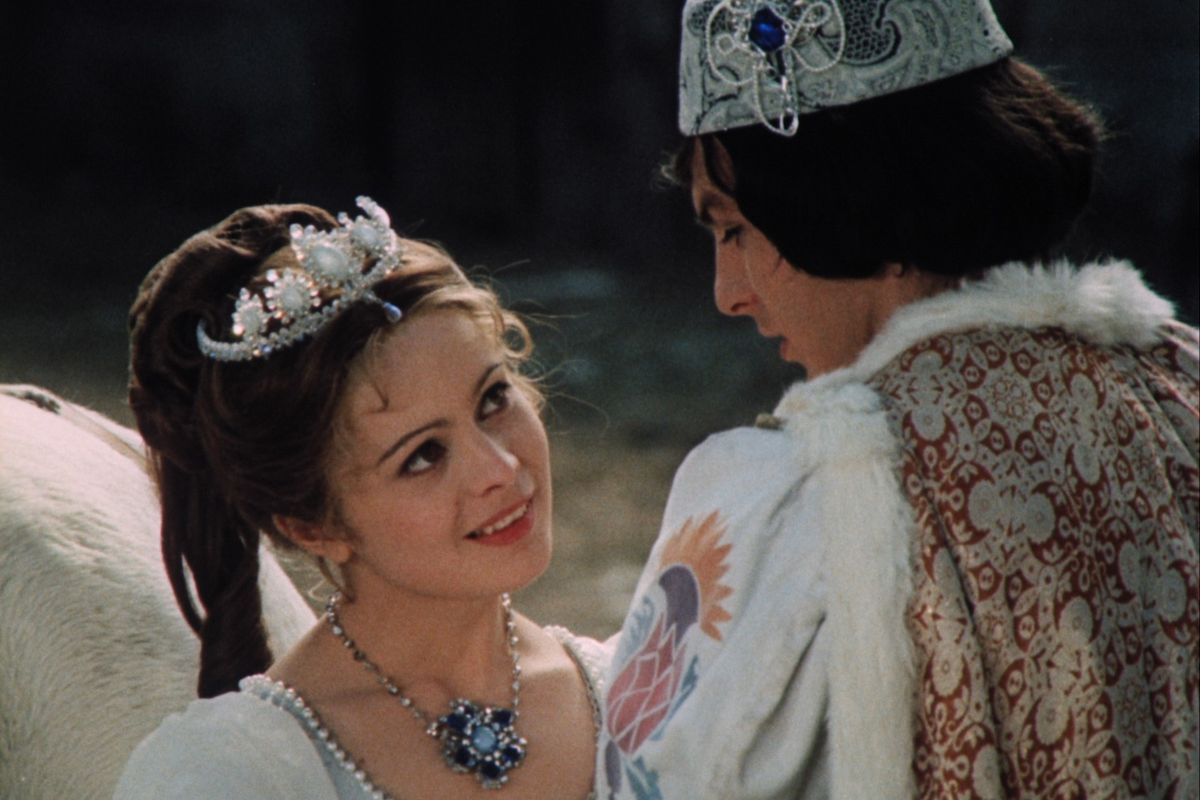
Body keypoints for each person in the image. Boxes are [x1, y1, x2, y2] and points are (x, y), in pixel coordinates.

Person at [598, 1, 1198, 799]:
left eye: (735, 229)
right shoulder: (1175, 381)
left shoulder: (811, 491)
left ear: (841, 198)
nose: (726, 293)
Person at [114, 197, 611, 799]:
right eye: (423, 455)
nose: (501, 469)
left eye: (492, 400)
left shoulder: (634, 692)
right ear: (312, 526)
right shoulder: (226, 776)